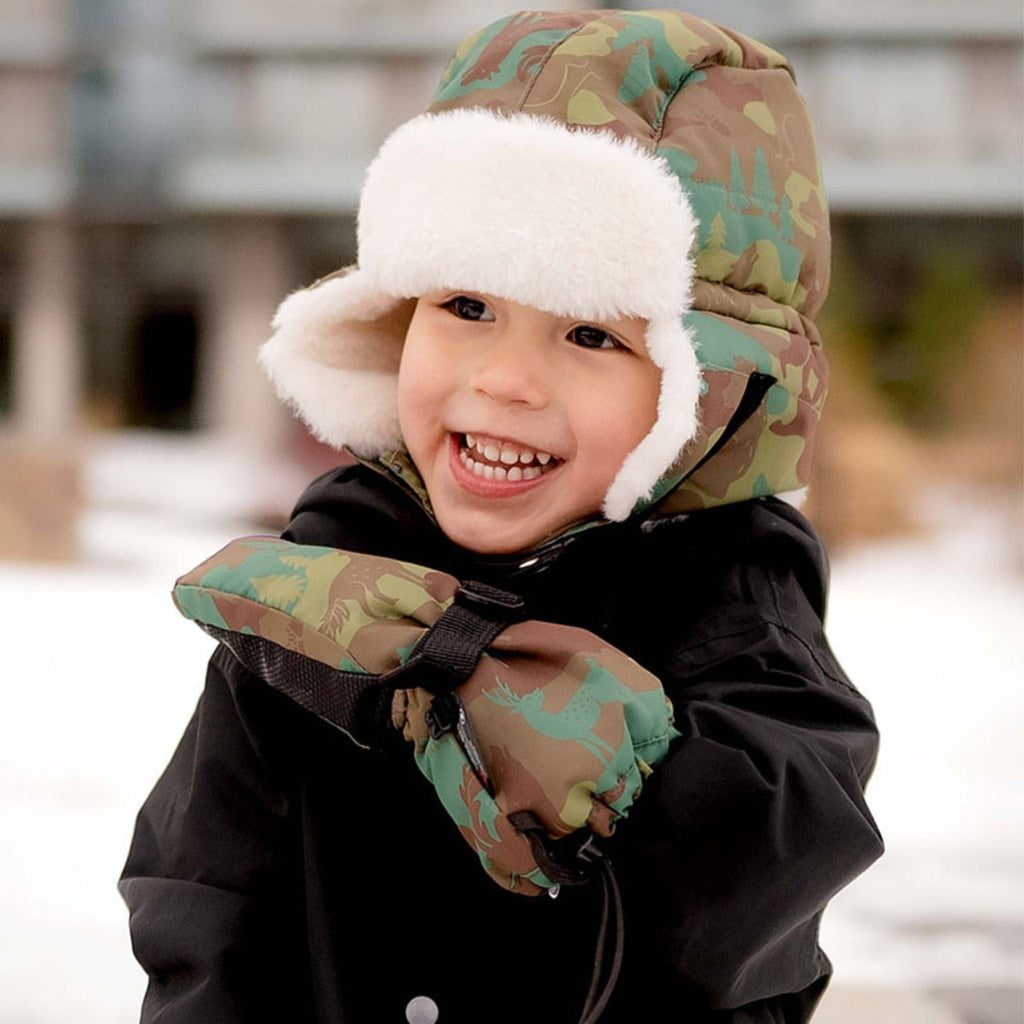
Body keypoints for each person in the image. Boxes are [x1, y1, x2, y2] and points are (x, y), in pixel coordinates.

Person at [120, 9, 882, 1023]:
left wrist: (610, 774)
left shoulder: (733, 602)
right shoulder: (321, 586)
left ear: (708, 390)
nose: (506, 379)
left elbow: (771, 871)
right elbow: (203, 901)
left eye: (590, 335)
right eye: (467, 307)